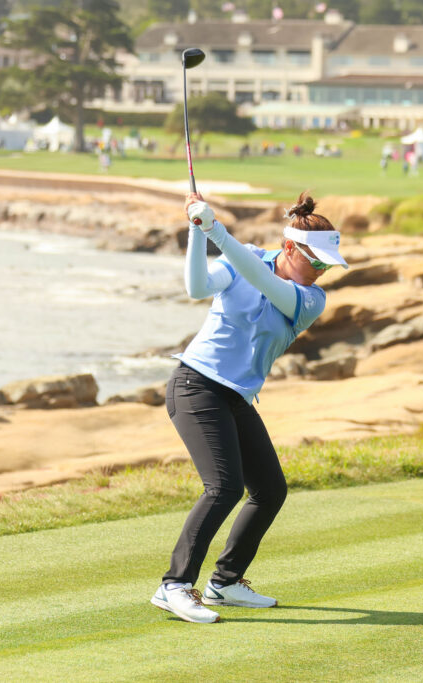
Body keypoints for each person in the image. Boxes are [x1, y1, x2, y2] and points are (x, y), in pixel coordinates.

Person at [152, 191, 349, 624]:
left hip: (235, 396)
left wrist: (215, 229)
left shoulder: (310, 299)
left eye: (326, 265)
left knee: (270, 490)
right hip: (196, 385)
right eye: (315, 261)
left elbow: (265, 283)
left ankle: (224, 583)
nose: (320, 271)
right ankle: (174, 586)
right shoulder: (249, 257)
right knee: (223, 488)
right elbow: (197, 287)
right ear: (290, 247)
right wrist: (197, 231)